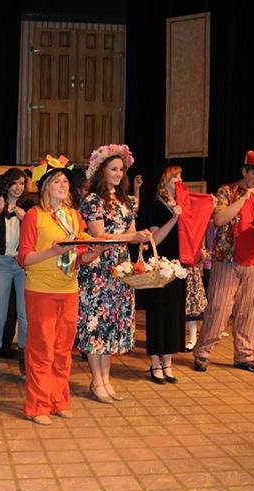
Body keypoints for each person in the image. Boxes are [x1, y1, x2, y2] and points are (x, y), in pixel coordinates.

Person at [18, 156, 101, 424]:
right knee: (41, 350)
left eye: (65, 181)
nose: (63, 185)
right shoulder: (35, 215)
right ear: (45, 187)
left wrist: (96, 251)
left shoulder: (74, 216)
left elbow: (80, 258)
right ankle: (37, 406)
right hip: (40, 291)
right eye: (57, 181)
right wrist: (53, 251)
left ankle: (59, 400)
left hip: (69, 290)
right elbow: (24, 258)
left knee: (63, 350)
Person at [192, 150, 254, 373]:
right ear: (244, 171)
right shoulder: (227, 191)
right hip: (227, 260)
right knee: (219, 309)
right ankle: (203, 353)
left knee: (249, 312)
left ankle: (245, 356)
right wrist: (244, 198)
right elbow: (219, 219)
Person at [76, 144, 152, 403]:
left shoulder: (127, 201)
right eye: (113, 169)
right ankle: (96, 381)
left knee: (111, 328)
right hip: (98, 271)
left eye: (121, 169)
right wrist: (132, 236)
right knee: (96, 326)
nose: (119, 174)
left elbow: (130, 233)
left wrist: (141, 238)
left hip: (120, 269)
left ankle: (105, 380)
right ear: (102, 171)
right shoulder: (92, 201)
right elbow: (99, 235)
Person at [137, 166, 185, 384]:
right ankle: (155, 362)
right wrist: (174, 219)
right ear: (165, 182)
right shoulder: (157, 206)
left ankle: (168, 362)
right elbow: (155, 239)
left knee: (174, 315)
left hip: (178, 267)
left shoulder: (181, 205)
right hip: (160, 267)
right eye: (175, 177)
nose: (179, 180)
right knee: (158, 314)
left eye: (180, 177)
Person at [0, 167, 31, 377]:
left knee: (24, 315)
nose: (19, 187)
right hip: (0, 263)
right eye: (15, 183)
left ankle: (24, 360)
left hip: (22, 264)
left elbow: (36, 234)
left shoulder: (29, 208)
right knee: (0, 315)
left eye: (22, 183)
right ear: (7, 184)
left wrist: (25, 218)